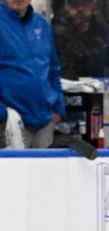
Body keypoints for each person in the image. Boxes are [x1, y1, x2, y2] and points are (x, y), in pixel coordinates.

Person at [0, 0, 65, 149]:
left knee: (45, 172)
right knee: (12, 172)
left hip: (45, 122)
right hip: (9, 124)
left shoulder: (42, 24)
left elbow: (53, 69)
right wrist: (2, 114)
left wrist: (58, 108)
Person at [51, 0, 109, 79]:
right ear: (66, 5)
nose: (80, 9)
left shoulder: (103, 31)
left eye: (84, 3)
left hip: (98, 87)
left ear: (94, 5)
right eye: (74, 4)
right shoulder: (55, 33)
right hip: (66, 88)